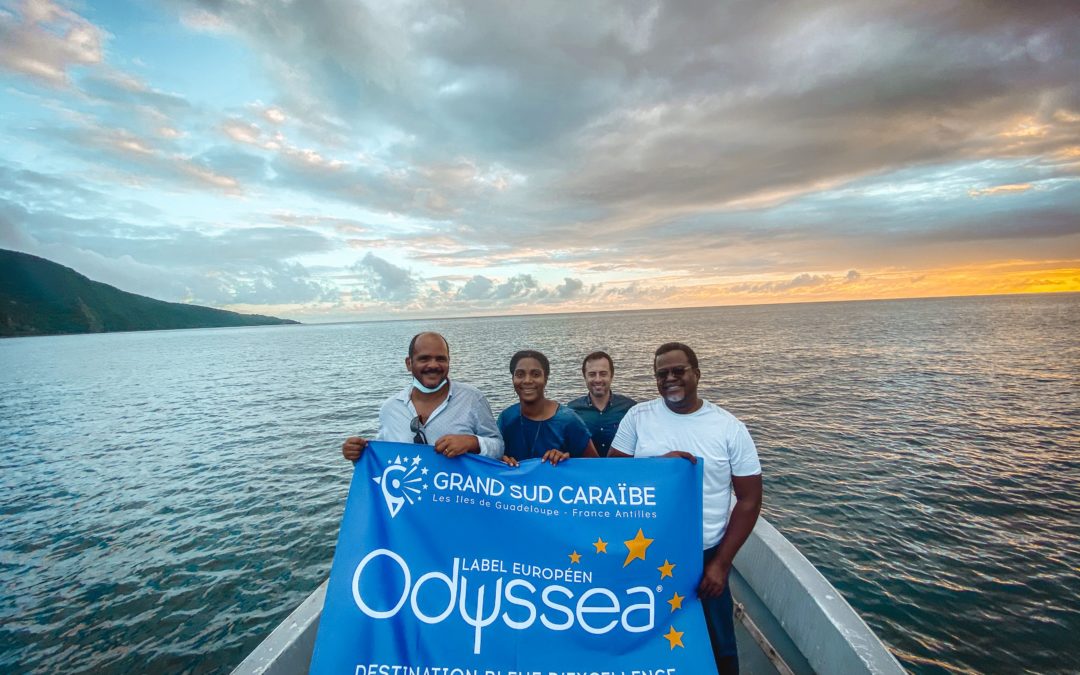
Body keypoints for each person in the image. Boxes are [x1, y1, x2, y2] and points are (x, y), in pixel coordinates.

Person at [610, 342, 762, 675]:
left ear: (697, 373)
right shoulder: (638, 418)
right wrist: (656, 467)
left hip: (705, 557)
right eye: (661, 373)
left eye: (678, 370)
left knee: (717, 646)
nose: (670, 378)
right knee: (646, 638)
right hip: (646, 553)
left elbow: (749, 499)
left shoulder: (728, 428)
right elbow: (612, 475)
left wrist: (722, 563)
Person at [341, 332, 504, 462]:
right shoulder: (390, 409)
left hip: (456, 501)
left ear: (449, 362)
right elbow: (383, 459)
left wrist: (472, 443)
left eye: (440, 359)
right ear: (409, 363)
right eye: (424, 358)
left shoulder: (473, 398)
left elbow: (498, 446)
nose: (433, 365)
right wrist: (358, 454)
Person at [498, 349, 599, 467]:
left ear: (545, 379)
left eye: (535, 374)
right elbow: (494, 456)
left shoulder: (569, 421)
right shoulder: (506, 418)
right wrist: (500, 460)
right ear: (513, 379)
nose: (527, 380)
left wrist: (566, 460)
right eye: (520, 374)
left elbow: (595, 466)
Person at [567, 350, 636, 457]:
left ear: (611, 375)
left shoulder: (631, 408)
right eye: (592, 374)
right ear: (585, 377)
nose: (598, 379)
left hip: (621, 471)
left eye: (603, 374)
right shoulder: (571, 410)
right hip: (587, 471)